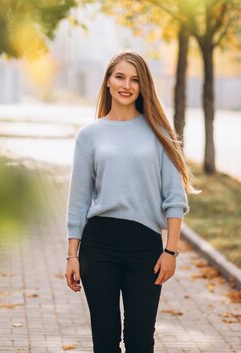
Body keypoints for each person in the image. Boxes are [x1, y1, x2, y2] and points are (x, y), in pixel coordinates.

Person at [64, 51, 200, 353]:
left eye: (135, 79)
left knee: (140, 340)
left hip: (145, 249)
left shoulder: (159, 134)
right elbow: (79, 201)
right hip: (98, 246)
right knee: (105, 339)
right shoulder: (89, 136)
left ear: (144, 86)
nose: (127, 85)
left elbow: (174, 199)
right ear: (108, 82)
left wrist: (171, 250)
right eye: (120, 77)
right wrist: (72, 255)